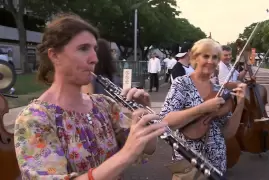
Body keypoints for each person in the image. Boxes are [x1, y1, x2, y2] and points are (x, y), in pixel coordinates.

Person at [14, 14, 167, 180]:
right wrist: (126, 154)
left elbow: (147, 149)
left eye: (94, 49)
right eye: (83, 49)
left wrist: (144, 117)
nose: (94, 59)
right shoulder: (35, 119)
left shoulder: (104, 104)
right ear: (54, 55)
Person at [159, 38, 246, 176]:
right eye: (206, 56)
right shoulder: (182, 83)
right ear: (195, 58)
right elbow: (165, 122)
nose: (211, 61)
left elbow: (228, 132)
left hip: (216, 162)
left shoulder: (219, 90)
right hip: (188, 160)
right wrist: (202, 108)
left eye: (215, 57)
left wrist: (240, 104)